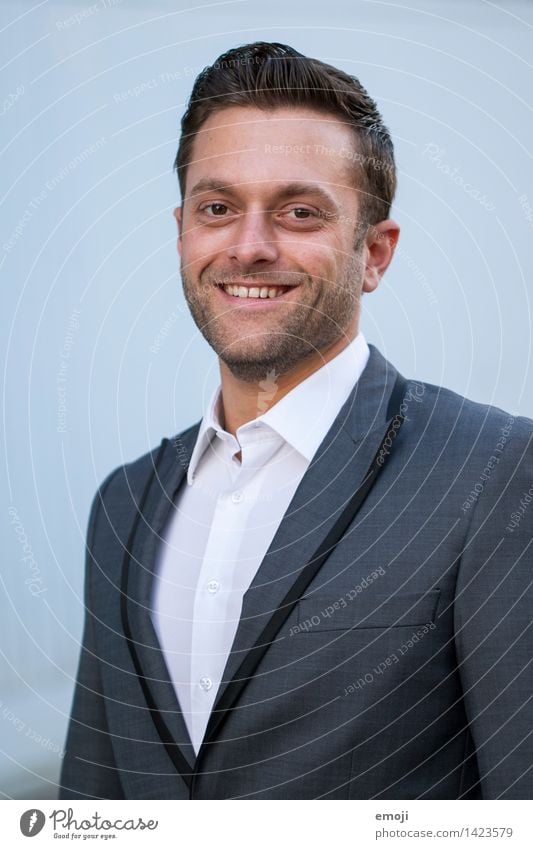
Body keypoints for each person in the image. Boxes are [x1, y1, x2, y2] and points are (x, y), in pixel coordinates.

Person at [59, 41, 533, 800]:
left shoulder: (496, 472)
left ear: (373, 254)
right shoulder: (123, 505)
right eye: (217, 209)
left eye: (299, 212)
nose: (248, 246)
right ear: (182, 232)